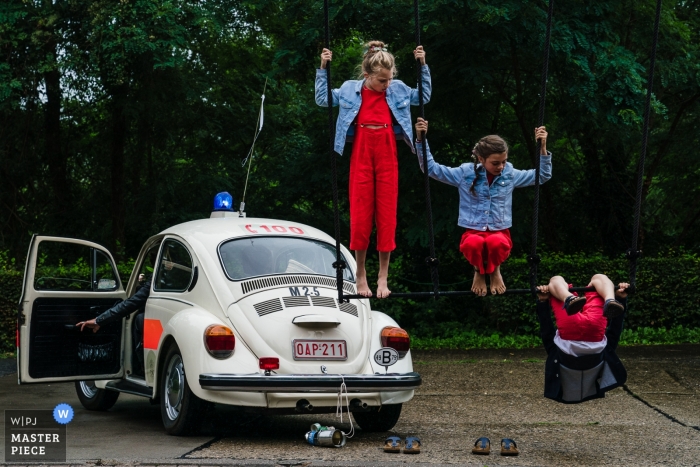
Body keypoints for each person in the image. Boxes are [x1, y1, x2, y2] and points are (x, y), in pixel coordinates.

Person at [315, 41, 431, 298]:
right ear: (367, 75)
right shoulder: (349, 89)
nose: (386, 84)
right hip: (362, 151)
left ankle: (383, 276)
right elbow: (323, 100)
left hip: (387, 150)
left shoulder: (397, 88)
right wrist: (323, 67)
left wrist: (423, 65)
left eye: (389, 79)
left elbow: (424, 96)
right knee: (360, 213)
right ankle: (360, 274)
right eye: (381, 80)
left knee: (387, 214)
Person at [414, 118, 551, 296]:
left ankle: (495, 270)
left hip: (499, 231)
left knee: (495, 242)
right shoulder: (464, 173)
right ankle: (478, 271)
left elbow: (542, 176)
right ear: (481, 158)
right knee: (474, 243)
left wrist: (542, 148)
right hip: (473, 231)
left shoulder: (510, 174)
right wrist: (420, 139)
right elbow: (431, 169)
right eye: (495, 163)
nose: (501, 167)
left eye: (503, 161)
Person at [535, 274, 629, 403]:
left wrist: (620, 298)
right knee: (556, 281)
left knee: (599, 279)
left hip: (595, 332)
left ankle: (610, 299)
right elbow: (547, 332)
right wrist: (543, 301)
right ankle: (568, 298)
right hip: (569, 329)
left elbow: (614, 333)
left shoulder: (600, 359)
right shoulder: (558, 358)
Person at [77, 273, 151, 374]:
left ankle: (143, 368)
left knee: (138, 319)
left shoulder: (162, 274)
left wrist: (99, 320)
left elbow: (134, 302)